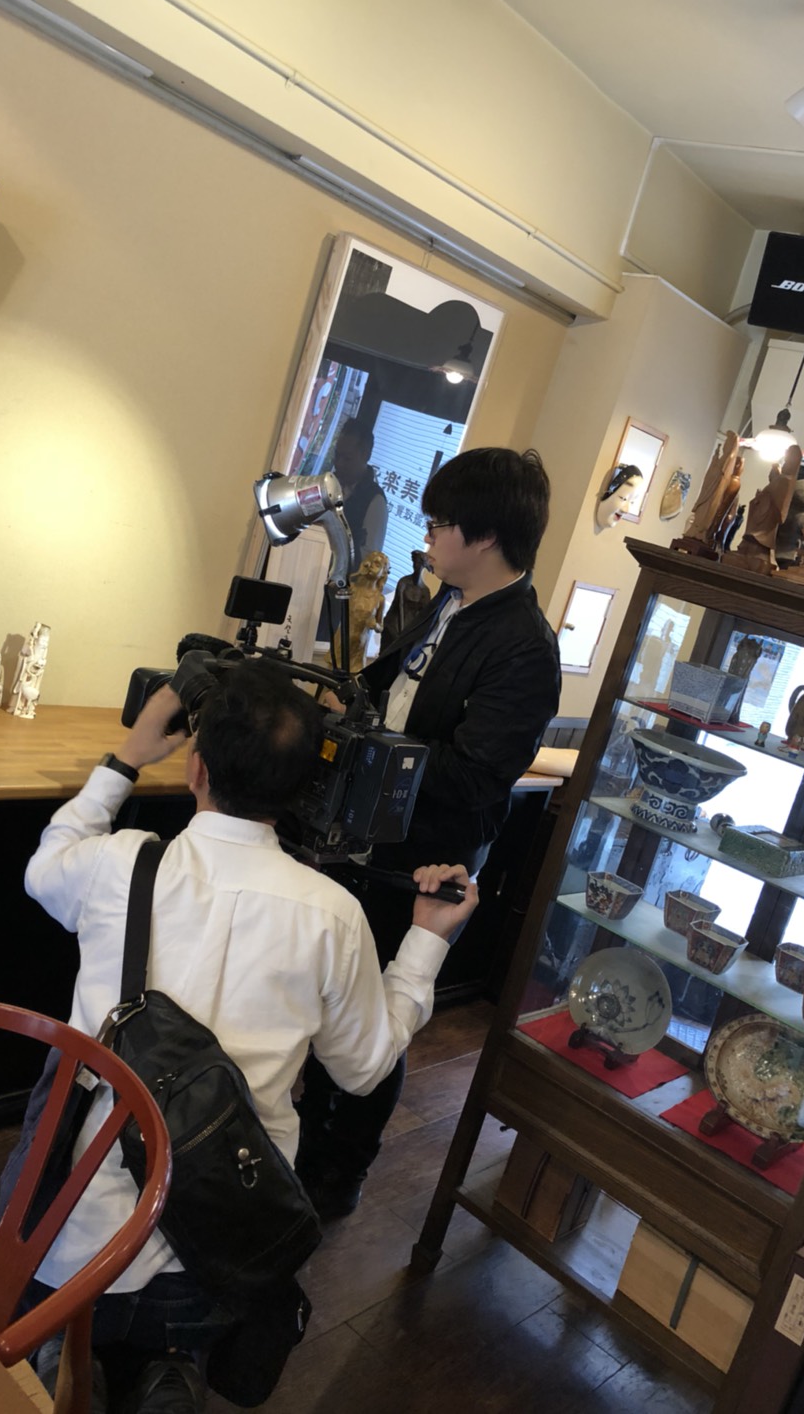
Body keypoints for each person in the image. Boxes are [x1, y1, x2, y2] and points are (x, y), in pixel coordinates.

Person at [17, 662, 477, 1414]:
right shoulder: (332, 915)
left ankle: (63, 1361)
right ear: (306, 787)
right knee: (181, 1339)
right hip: (216, 1251)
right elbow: (364, 1071)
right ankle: (171, 1364)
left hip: (68, 1242)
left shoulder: (119, 864)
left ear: (196, 769)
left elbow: (45, 867)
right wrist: (426, 940)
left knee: (60, 1337)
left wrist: (127, 757)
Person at [296, 446, 561, 1220]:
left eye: (442, 523)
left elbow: (476, 777)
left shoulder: (525, 647)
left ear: (486, 535)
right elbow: (388, 692)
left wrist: (365, 746)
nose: (430, 535)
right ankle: (305, 1145)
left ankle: (339, 1171)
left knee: (377, 1018)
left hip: (424, 864)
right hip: (372, 841)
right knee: (333, 1001)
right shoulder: (448, 602)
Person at [332, 418, 388, 574]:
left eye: (347, 458)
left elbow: (368, 563)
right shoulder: (328, 483)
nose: (339, 463)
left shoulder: (375, 501)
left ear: (366, 455)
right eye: (337, 455)